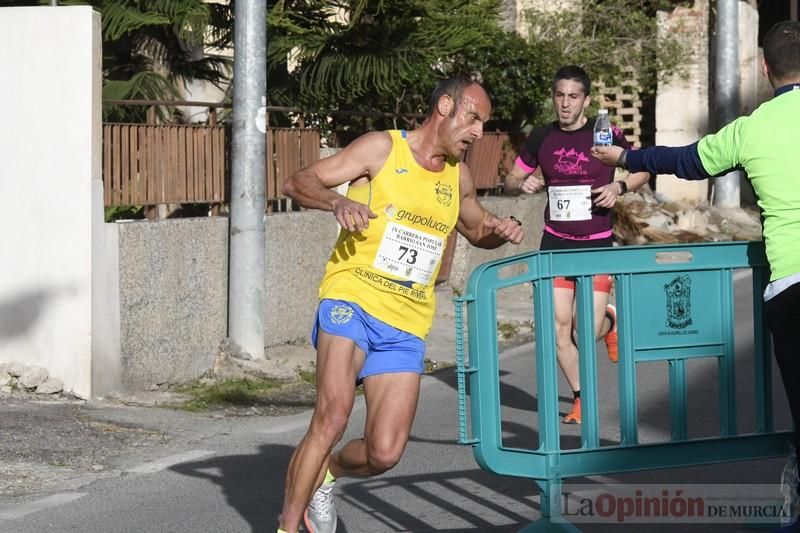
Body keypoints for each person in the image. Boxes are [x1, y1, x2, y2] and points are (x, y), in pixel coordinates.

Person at [276, 75, 524, 533]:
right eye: (473, 119)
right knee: (332, 415)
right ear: (445, 106)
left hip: (406, 320)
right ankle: (287, 527)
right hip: (352, 294)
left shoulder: (459, 177)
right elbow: (299, 181)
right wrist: (336, 202)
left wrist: (501, 231)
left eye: (485, 125)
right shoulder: (381, 148)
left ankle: (326, 473)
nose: (478, 133)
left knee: (384, 452)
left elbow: (476, 229)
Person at [591, 20, 800, 532]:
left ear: (766, 69)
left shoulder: (752, 128)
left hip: (792, 288)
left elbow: (687, 161)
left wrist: (626, 157)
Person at [503, 65, 650, 424]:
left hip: (596, 243)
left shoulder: (605, 133)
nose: (565, 103)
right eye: (559, 95)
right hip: (555, 243)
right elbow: (510, 179)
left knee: (585, 332)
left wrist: (619, 187)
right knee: (557, 328)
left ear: (585, 99)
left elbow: (643, 168)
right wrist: (521, 185)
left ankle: (609, 323)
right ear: (553, 97)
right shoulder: (541, 137)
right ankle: (581, 398)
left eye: (573, 96)